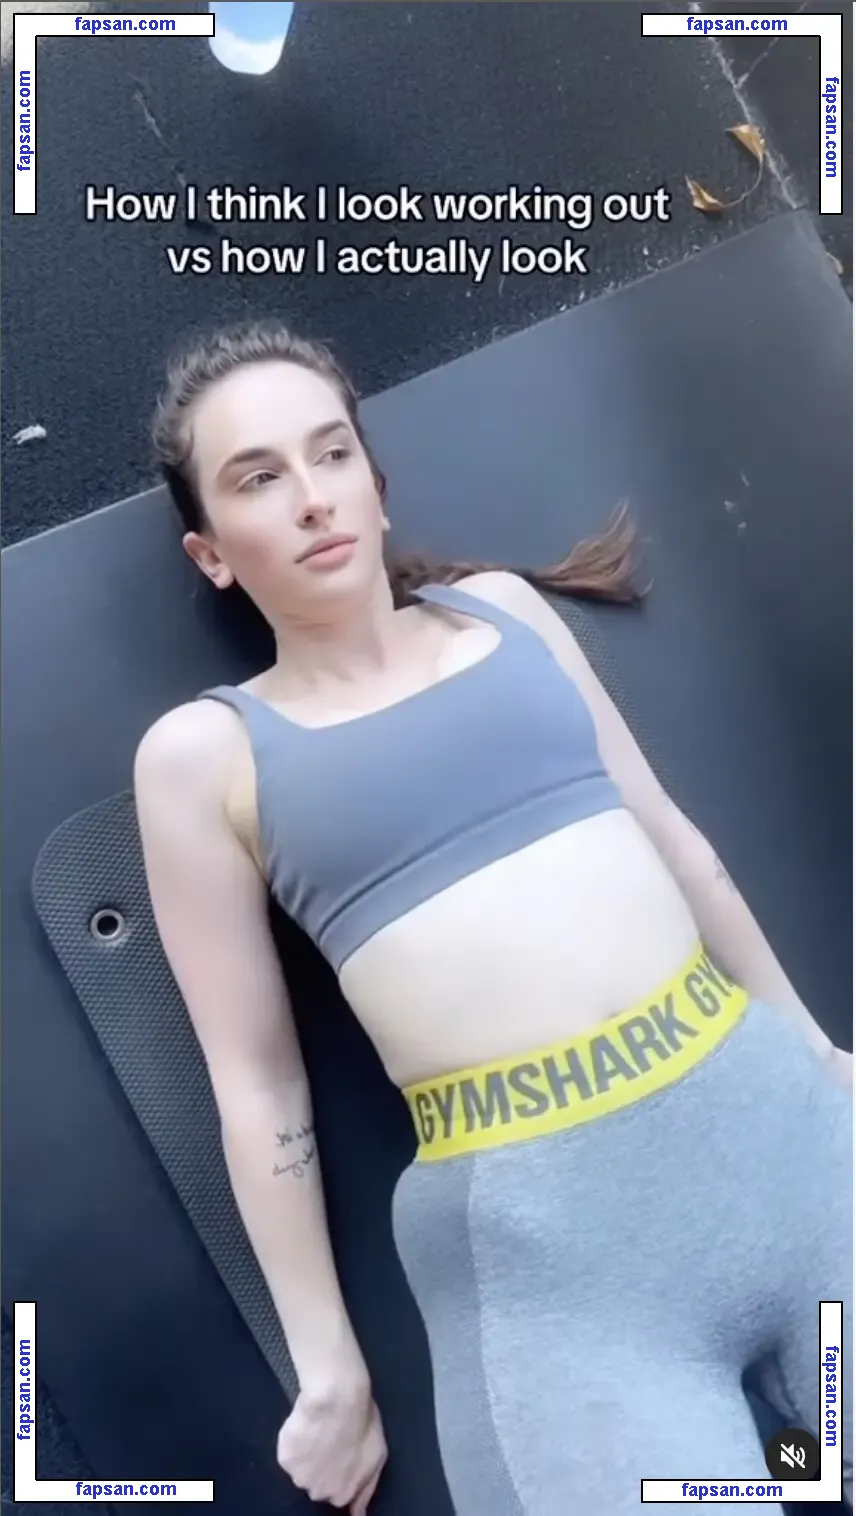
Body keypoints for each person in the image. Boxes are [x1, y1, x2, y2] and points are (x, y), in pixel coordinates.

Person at [135, 317, 852, 1516]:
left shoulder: (507, 617)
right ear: (211, 552)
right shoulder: (203, 756)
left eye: (331, 453)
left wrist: (824, 1055)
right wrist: (330, 1371)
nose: (311, 496)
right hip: (556, 1268)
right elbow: (257, 1082)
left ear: (374, 482)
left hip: (782, 1141)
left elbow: (678, 846)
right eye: (259, 477)